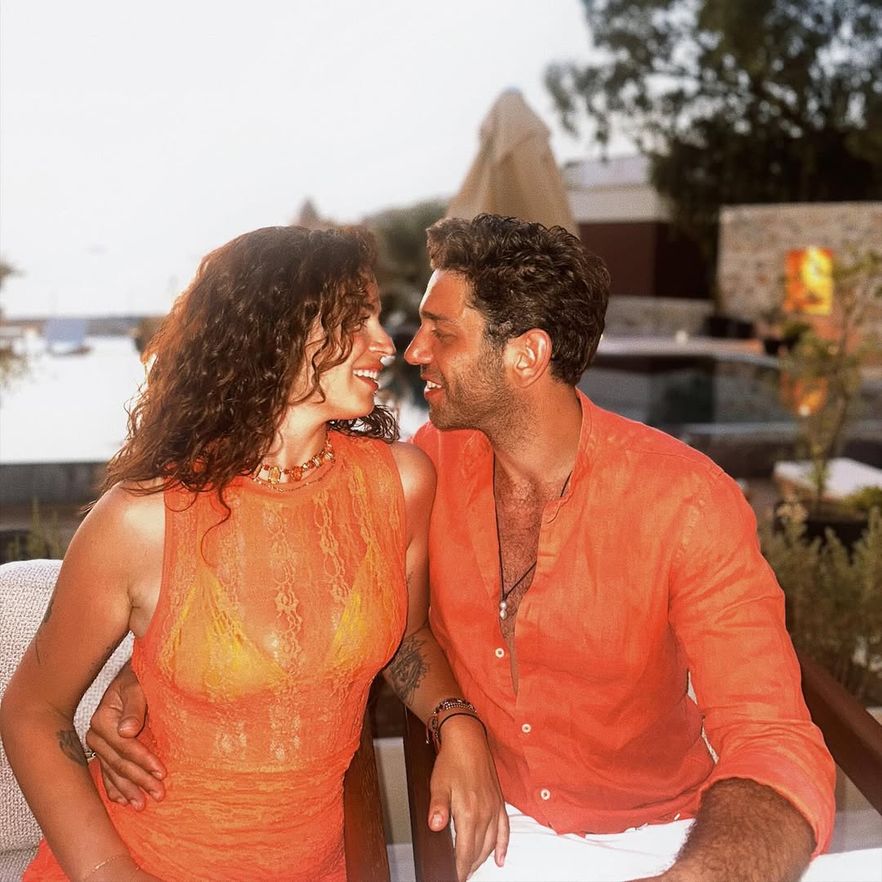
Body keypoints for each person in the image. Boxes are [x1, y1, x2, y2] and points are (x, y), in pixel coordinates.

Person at [85, 215, 836, 882]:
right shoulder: (421, 475)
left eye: (442, 332)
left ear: (527, 355)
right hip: (500, 834)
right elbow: (281, 561)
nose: (411, 350)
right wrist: (146, 668)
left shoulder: (687, 501)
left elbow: (771, 737)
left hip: (671, 837)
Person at [0, 225, 506, 882]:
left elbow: (405, 638)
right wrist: (111, 874)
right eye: (356, 320)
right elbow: (32, 711)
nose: (387, 344)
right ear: (274, 333)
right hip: (147, 861)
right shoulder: (141, 520)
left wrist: (458, 722)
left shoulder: (401, 484)